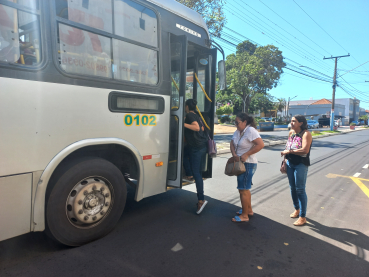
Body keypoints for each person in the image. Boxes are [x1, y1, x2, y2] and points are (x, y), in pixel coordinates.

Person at [230, 113, 264, 222]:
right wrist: (234, 154)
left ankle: (244, 216)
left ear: (245, 122)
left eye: (237, 122)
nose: (236, 124)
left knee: (243, 190)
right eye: (234, 122)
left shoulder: (250, 131)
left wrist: (246, 154)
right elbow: (232, 142)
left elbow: (260, 144)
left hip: (248, 164)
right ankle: (248, 210)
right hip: (240, 163)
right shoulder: (238, 131)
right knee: (245, 188)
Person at [281, 115, 312, 226]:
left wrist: (288, 152)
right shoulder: (291, 133)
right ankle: (297, 209)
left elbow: (304, 150)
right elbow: (287, 147)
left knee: (300, 189)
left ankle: (302, 217)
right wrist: (285, 160)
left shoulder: (306, 134)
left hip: (301, 164)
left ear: (301, 123)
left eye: (294, 121)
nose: (292, 123)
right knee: (292, 188)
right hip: (290, 163)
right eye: (291, 121)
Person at [183, 99, 208, 214]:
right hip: (202, 146)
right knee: (183, 153)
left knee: (197, 173)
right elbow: (202, 129)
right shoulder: (196, 115)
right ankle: (189, 174)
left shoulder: (189, 115)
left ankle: (201, 200)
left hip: (196, 148)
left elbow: (197, 128)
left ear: (187, 106)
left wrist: (182, 124)